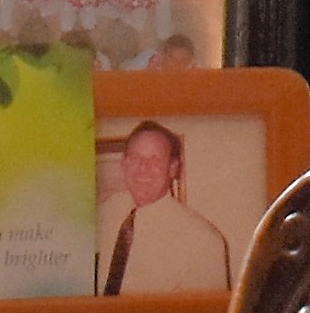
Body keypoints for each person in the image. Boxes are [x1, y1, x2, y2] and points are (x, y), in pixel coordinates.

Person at [95, 117, 232, 293]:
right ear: (124, 165)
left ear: (173, 169)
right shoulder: (108, 211)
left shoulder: (203, 241)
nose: (143, 167)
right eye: (136, 157)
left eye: (155, 159)